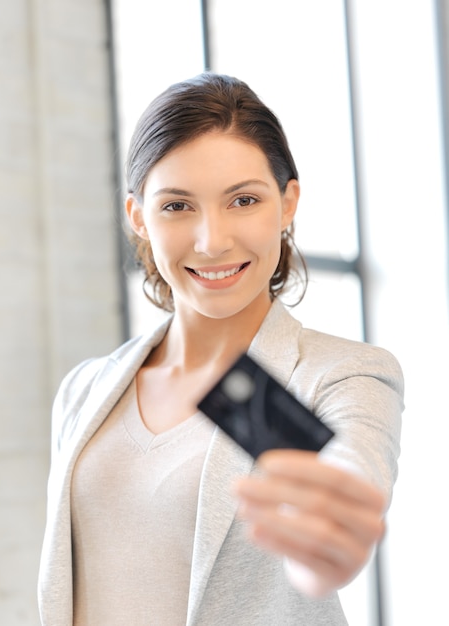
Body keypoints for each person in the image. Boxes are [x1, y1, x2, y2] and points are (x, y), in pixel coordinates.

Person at [38, 73, 404, 625]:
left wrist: (323, 550)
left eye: (243, 200)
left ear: (287, 204)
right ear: (139, 217)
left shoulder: (341, 376)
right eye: (178, 206)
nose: (212, 240)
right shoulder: (85, 390)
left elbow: (351, 471)